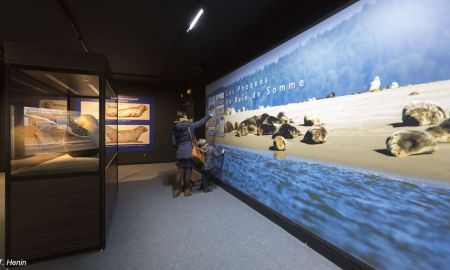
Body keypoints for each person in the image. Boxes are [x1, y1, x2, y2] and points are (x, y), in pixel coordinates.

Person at [171, 111, 211, 197]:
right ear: (185, 116)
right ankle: (186, 190)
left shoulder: (175, 128)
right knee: (188, 171)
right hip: (189, 151)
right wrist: (208, 116)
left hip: (180, 152)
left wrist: (181, 146)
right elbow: (200, 122)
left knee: (180, 172)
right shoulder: (190, 125)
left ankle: (177, 190)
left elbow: (174, 143)